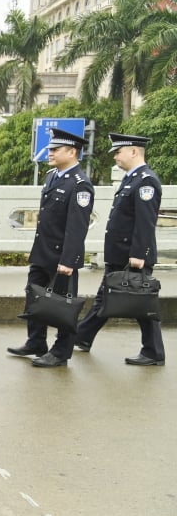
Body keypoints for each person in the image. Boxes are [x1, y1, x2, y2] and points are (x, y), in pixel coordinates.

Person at [74, 133, 164, 366]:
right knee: (106, 298)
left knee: (143, 303)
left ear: (134, 151)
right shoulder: (130, 179)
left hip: (131, 256)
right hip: (120, 253)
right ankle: (82, 337)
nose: (115, 156)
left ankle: (154, 352)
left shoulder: (145, 181)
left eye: (118, 152)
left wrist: (139, 255)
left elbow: (145, 222)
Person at [7, 128, 94, 368]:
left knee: (63, 306)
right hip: (43, 251)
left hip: (61, 256)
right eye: (50, 149)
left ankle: (61, 352)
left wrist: (68, 260)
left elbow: (77, 227)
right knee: (34, 297)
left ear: (72, 152)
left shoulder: (80, 184)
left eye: (55, 149)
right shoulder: (52, 176)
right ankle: (36, 342)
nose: (50, 153)